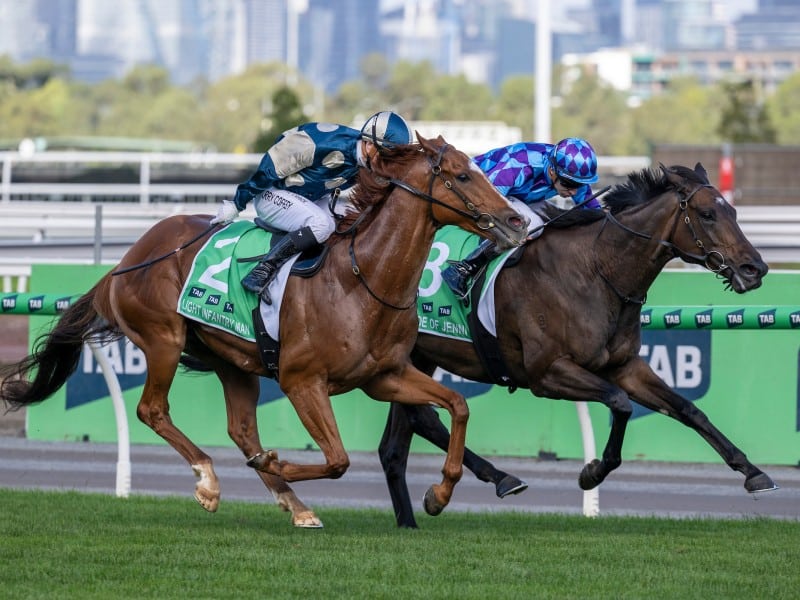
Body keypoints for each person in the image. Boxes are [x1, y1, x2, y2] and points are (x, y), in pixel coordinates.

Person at [211, 111, 414, 303]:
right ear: (369, 144)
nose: (388, 163)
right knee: (322, 224)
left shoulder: (365, 158)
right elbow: (268, 169)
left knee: (354, 222)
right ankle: (264, 269)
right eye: (387, 155)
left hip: (308, 197)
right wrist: (237, 203)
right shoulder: (321, 143)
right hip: (271, 193)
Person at [441, 137, 601, 299]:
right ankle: (462, 269)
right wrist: (512, 228)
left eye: (579, 185)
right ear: (552, 171)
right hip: (479, 191)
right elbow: (488, 204)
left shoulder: (569, 175)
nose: (574, 191)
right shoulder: (519, 165)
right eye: (569, 184)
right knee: (531, 223)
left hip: (515, 195)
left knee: (553, 215)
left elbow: (594, 213)